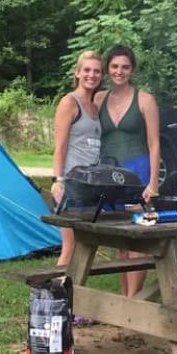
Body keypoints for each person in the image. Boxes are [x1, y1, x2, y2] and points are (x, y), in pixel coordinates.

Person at [95, 45, 161, 297]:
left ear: (132, 69)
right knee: (120, 241)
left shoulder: (145, 100)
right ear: (108, 69)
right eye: (114, 67)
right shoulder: (99, 99)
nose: (119, 71)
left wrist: (153, 182)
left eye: (124, 67)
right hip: (110, 174)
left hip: (138, 171)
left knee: (138, 240)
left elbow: (154, 143)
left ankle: (134, 299)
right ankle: (126, 298)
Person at [50, 51, 104, 269]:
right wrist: (58, 180)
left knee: (86, 245)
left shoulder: (94, 106)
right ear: (78, 73)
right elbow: (60, 146)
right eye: (87, 70)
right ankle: (53, 300)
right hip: (71, 183)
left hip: (90, 185)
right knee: (70, 246)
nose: (92, 75)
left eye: (97, 71)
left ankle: (74, 293)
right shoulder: (69, 103)